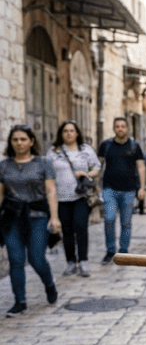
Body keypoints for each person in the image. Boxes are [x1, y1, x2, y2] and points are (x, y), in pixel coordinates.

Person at [1, 125, 60, 316]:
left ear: (32, 141)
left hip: (37, 216)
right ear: (11, 143)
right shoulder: (4, 166)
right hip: (11, 217)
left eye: (23, 139)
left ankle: (49, 284)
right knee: (16, 260)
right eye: (15, 139)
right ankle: (20, 301)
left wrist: (54, 217)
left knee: (36, 258)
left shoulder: (43, 163)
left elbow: (51, 191)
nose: (19, 143)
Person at [47, 121, 101, 277]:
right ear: (61, 134)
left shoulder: (85, 150)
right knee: (67, 230)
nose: (69, 133)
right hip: (61, 198)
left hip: (81, 196)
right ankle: (71, 262)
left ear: (77, 133)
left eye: (72, 130)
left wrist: (87, 175)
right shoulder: (53, 152)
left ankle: (83, 262)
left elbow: (97, 168)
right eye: (65, 131)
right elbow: (47, 173)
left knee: (81, 227)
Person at [97, 117, 145, 264]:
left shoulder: (134, 146)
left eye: (123, 126)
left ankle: (123, 252)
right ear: (114, 128)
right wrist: (94, 186)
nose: (120, 129)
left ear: (127, 128)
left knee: (126, 222)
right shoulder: (106, 145)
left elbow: (141, 167)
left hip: (129, 190)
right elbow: (98, 165)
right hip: (109, 189)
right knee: (109, 219)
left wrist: (142, 187)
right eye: (117, 126)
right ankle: (110, 250)